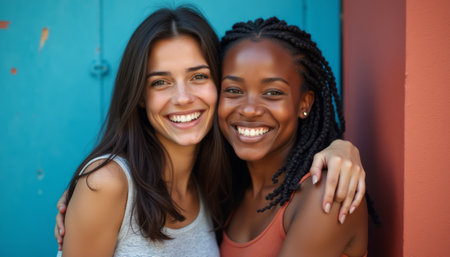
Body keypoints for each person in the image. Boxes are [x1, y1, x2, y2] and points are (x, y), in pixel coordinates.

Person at [55, 6, 366, 256]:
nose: (183, 98)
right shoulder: (108, 185)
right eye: (160, 82)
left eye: (198, 76)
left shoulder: (219, 186)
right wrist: (91, 192)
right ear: (139, 95)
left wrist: (341, 148)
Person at [218, 18, 368, 256]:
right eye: (234, 90)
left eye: (273, 92)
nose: (249, 109)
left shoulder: (326, 194)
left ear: (304, 103)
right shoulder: (228, 190)